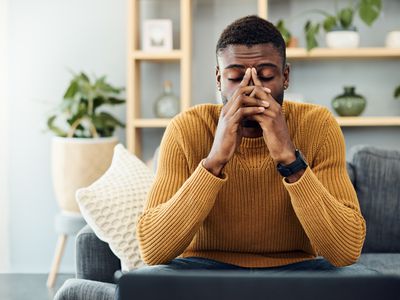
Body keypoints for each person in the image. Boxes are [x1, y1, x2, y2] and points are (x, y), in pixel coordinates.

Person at [135, 15, 372, 275]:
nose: (249, 90)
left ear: (286, 76)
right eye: (235, 78)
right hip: (202, 269)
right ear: (218, 79)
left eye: (266, 76)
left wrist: (290, 160)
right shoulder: (186, 128)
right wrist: (214, 162)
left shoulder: (319, 125)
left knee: (362, 280)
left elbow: (346, 251)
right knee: (145, 280)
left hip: (296, 268)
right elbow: (153, 251)